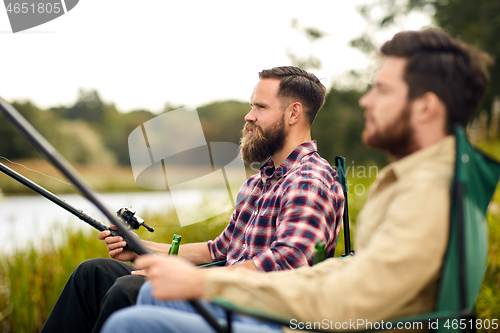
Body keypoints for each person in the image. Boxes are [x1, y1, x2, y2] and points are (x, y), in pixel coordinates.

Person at [100, 28, 491, 333]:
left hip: (304, 322)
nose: (365, 101)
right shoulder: (425, 179)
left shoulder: (426, 191)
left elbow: (348, 297)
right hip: (300, 310)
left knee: (130, 321)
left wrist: (208, 285)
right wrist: (150, 253)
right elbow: (351, 273)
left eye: (382, 90)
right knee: (127, 287)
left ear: (426, 107)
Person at [40, 66, 345, 333]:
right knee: (92, 274)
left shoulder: (309, 180)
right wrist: (139, 249)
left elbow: (287, 263)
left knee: (129, 289)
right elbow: (218, 250)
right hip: (222, 289)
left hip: (256, 308)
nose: (248, 116)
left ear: (293, 113)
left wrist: (189, 280)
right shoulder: (258, 183)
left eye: (260, 107)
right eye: (251, 106)